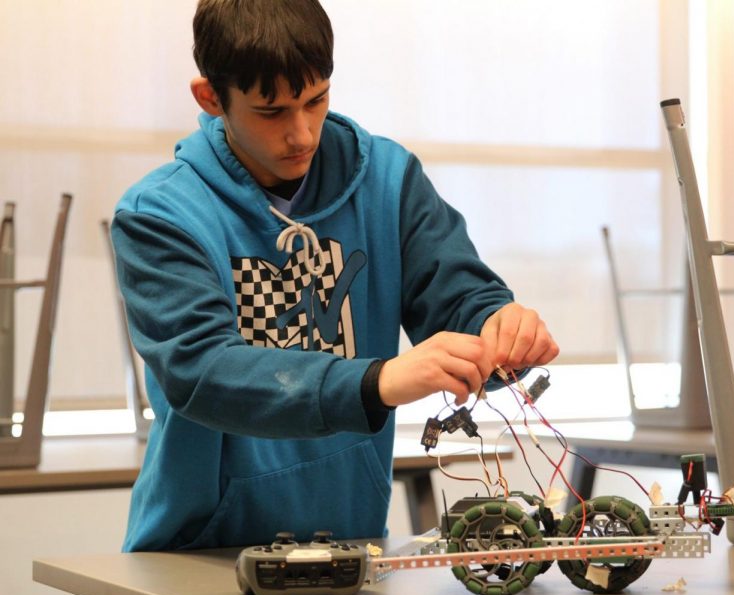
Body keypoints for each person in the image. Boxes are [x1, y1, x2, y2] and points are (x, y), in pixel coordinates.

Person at [111, 0, 558, 552]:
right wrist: (376, 383)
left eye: (315, 100)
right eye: (270, 112)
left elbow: (460, 303)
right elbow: (202, 372)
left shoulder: (388, 181)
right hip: (199, 552)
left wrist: (500, 329)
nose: (301, 133)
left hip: (349, 547)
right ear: (210, 98)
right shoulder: (160, 213)